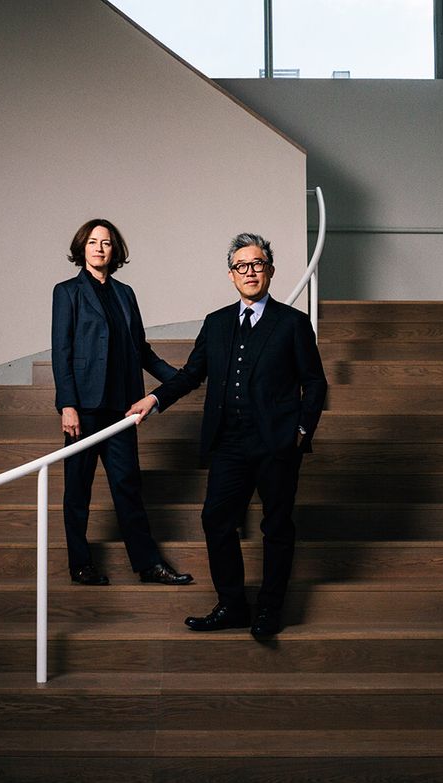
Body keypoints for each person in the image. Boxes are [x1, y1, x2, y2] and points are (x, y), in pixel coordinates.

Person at [127, 232, 327, 637]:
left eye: (257, 264)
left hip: (276, 444)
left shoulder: (293, 323)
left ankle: (270, 610)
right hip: (229, 444)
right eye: (241, 266)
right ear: (232, 275)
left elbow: (315, 383)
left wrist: (302, 431)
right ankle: (233, 605)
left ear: (269, 270)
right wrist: (155, 399)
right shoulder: (216, 323)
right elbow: (191, 374)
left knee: (276, 526)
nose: (249, 272)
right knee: (215, 519)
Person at [51, 218, 193, 586]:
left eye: (107, 242)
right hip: (84, 409)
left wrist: (181, 378)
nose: (100, 248)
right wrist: (68, 404)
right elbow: (62, 351)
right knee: (77, 491)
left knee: (128, 486)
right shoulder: (66, 292)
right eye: (94, 241)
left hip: (122, 410)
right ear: (82, 247)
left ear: (116, 251)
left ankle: (148, 565)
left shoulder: (125, 293)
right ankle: (80, 565)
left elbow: (141, 350)